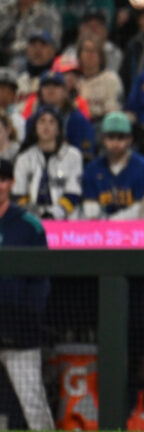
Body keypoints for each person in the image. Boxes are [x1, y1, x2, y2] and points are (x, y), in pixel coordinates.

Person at [0, 158, 55, 431]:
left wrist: (27, 318)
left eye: (2, 179)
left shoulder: (28, 225)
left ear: (10, 183)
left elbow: (40, 282)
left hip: (19, 333)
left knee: (32, 402)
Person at [81, 111, 144, 220]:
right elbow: (90, 209)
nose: (115, 143)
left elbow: (142, 210)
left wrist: (111, 221)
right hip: (100, 230)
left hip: (137, 230)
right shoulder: (92, 169)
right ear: (103, 139)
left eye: (121, 137)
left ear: (129, 139)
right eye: (111, 137)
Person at [12, 106, 82, 220]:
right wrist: (31, 213)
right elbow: (18, 193)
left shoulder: (73, 156)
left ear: (58, 129)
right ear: (35, 127)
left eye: (52, 122)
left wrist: (55, 213)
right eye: (42, 121)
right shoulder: (24, 158)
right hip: (31, 220)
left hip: (66, 221)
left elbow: (74, 191)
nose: (46, 126)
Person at [23, 71, 96, 160]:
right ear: (40, 92)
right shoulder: (32, 121)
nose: (51, 89)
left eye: (56, 85)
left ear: (65, 92)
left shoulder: (78, 120)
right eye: (46, 85)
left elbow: (85, 157)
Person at [76, 34, 124, 123]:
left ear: (101, 56)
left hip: (103, 124)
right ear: (79, 55)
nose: (90, 54)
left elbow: (113, 112)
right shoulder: (75, 81)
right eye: (86, 50)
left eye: (94, 51)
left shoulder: (111, 79)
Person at [0, 68, 26, 142]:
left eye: (10, 90)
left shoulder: (18, 120)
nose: (2, 92)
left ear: (14, 94)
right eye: (1, 88)